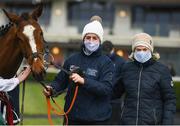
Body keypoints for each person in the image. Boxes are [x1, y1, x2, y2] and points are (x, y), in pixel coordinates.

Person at [43, 16, 114, 125]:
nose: (91, 41)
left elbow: (106, 89)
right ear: (83, 39)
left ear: (100, 40)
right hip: (72, 118)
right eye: (88, 37)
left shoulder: (106, 63)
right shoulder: (72, 59)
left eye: (94, 38)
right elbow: (60, 81)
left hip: (97, 120)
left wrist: (84, 81)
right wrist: (52, 89)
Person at [113, 33, 176, 125]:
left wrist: (167, 123)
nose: (141, 52)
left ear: (150, 50)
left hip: (152, 123)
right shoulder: (126, 68)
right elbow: (114, 92)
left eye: (145, 49)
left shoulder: (162, 70)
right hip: (128, 122)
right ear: (134, 51)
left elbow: (170, 99)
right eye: (138, 49)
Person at [102, 40, 126, 124]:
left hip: (115, 100)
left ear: (113, 49)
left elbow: (122, 80)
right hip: (101, 98)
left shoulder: (121, 62)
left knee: (114, 122)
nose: (107, 53)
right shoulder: (101, 59)